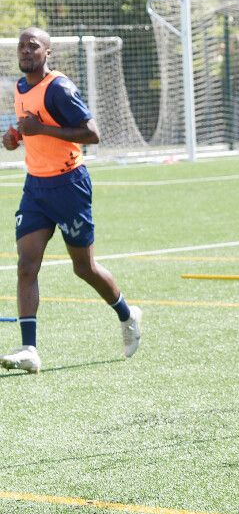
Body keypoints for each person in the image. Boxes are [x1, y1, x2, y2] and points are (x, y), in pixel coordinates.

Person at [0, 27, 142, 374]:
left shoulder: (59, 88)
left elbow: (92, 133)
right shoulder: (20, 88)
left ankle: (127, 314)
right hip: (36, 187)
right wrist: (14, 136)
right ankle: (30, 349)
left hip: (69, 185)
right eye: (22, 47)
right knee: (26, 265)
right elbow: (27, 129)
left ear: (48, 52)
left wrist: (41, 130)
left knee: (84, 268)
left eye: (33, 46)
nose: (26, 51)